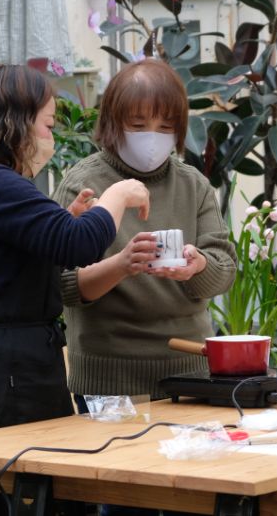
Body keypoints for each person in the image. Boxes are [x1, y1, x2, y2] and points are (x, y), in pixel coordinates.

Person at [0, 64, 150, 516]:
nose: (51, 135)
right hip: (2, 373)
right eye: (47, 124)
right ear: (16, 121)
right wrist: (119, 194)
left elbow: (29, 254)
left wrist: (64, 217)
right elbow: (78, 243)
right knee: (23, 496)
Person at [53, 58, 237, 402]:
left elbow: (224, 270)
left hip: (189, 368)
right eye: (138, 125)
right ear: (111, 123)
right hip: (108, 377)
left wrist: (198, 267)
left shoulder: (192, 184)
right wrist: (122, 264)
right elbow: (59, 285)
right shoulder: (84, 184)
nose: (153, 137)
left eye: (166, 127)